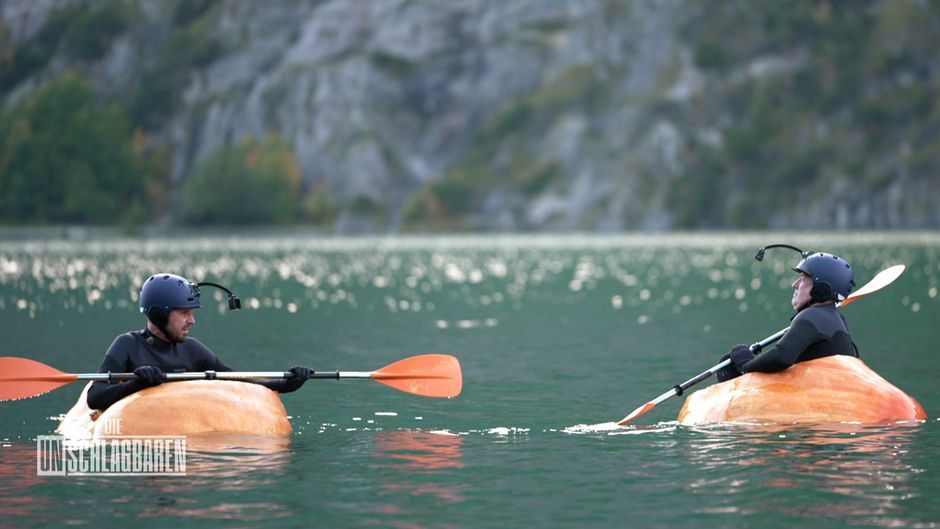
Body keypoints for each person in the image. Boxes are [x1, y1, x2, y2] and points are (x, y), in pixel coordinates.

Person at [87, 273, 311, 411]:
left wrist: (288, 383)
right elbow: (95, 397)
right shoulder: (127, 345)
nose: (192, 321)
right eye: (184, 313)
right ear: (158, 315)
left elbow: (240, 381)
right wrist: (136, 384)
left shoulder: (193, 350)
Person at [716, 251, 858, 382]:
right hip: (833, 393)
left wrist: (745, 365)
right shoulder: (837, 318)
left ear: (820, 288)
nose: (794, 284)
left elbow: (781, 358)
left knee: (727, 366)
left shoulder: (811, 317)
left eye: (802, 279)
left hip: (819, 398)